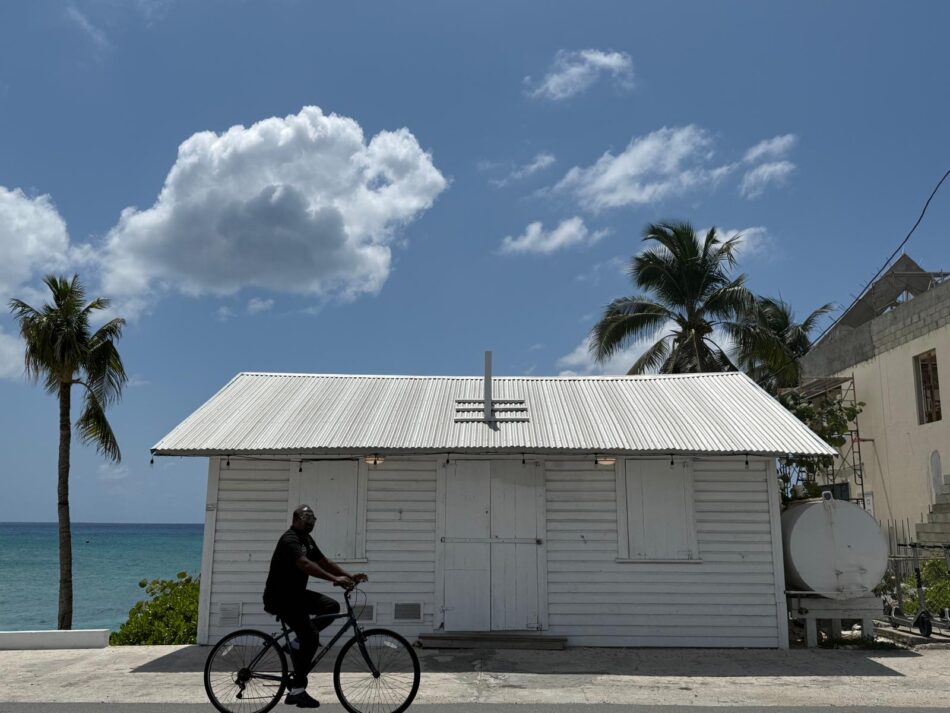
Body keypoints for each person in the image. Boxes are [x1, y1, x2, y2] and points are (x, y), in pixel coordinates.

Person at [263, 504, 368, 709]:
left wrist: (349, 576)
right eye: (307, 519)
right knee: (311, 637)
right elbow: (305, 564)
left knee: (331, 607)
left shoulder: (307, 540)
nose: (310, 523)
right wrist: (334, 579)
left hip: (296, 596)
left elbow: (323, 561)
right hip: (280, 598)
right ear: (296, 519)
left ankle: (296, 643)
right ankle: (297, 691)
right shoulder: (290, 540)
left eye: (313, 520)